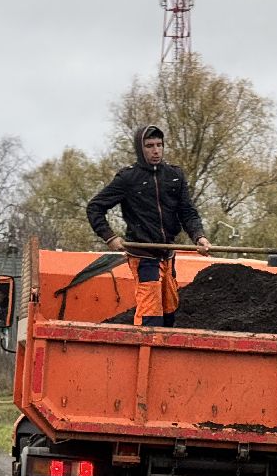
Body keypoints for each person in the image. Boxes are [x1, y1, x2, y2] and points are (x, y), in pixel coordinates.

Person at [85, 124, 209, 326]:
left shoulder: (174, 176)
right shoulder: (128, 178)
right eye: (150, 145)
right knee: (151, 312)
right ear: (140, 149)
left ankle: (164, 353)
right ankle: (145, 352)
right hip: (143, 254)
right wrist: (110, 237)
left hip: (168, 253)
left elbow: (187, 211)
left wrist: (199, 236)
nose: (155, 150)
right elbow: (94, 208)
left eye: (159, 145)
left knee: (169, 309)